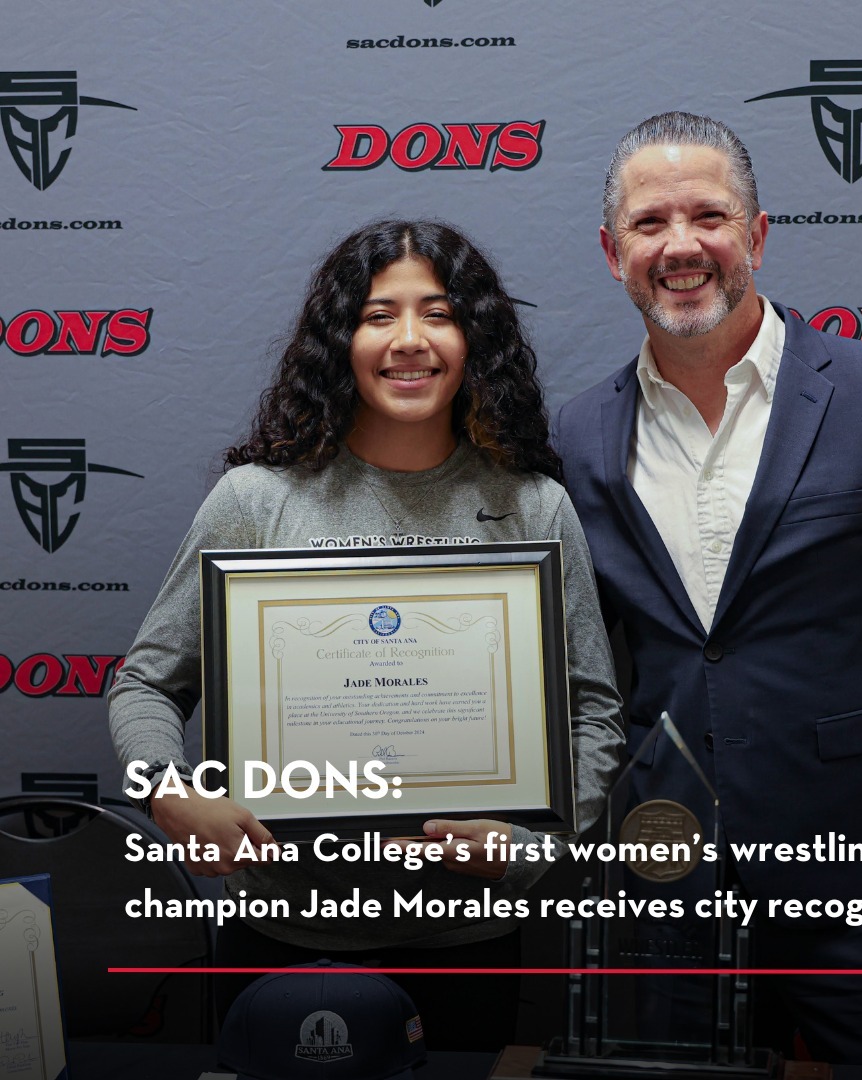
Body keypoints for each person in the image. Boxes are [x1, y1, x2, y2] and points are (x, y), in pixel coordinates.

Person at [555, 112, 862, 1068]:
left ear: (758, 235)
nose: (681, 245)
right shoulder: (579, 435)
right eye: (649, 224)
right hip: (669, 884)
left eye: (709, 215)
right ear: (612, 252)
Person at [108, 219, 623, 1049]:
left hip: (469, 943)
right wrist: (168, 791)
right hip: (282, 936)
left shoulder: (533, 507)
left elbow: (593, 712)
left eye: (439, 313)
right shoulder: (257, 501)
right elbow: (146, 683)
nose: (410, 341)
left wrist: (537, 847)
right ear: (339, 340)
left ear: (475, 339)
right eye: (379, 315)